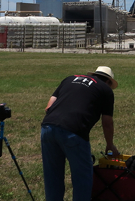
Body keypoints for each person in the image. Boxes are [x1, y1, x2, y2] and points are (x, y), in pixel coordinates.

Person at [41, 66, 119, 201]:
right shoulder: (105, 90)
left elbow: (49, 107)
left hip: (47, 127)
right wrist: (110, 145)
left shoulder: (70, 79)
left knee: (52, 175)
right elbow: (107, 122)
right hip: (74, 131)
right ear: (108, 81)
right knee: (82, 177)